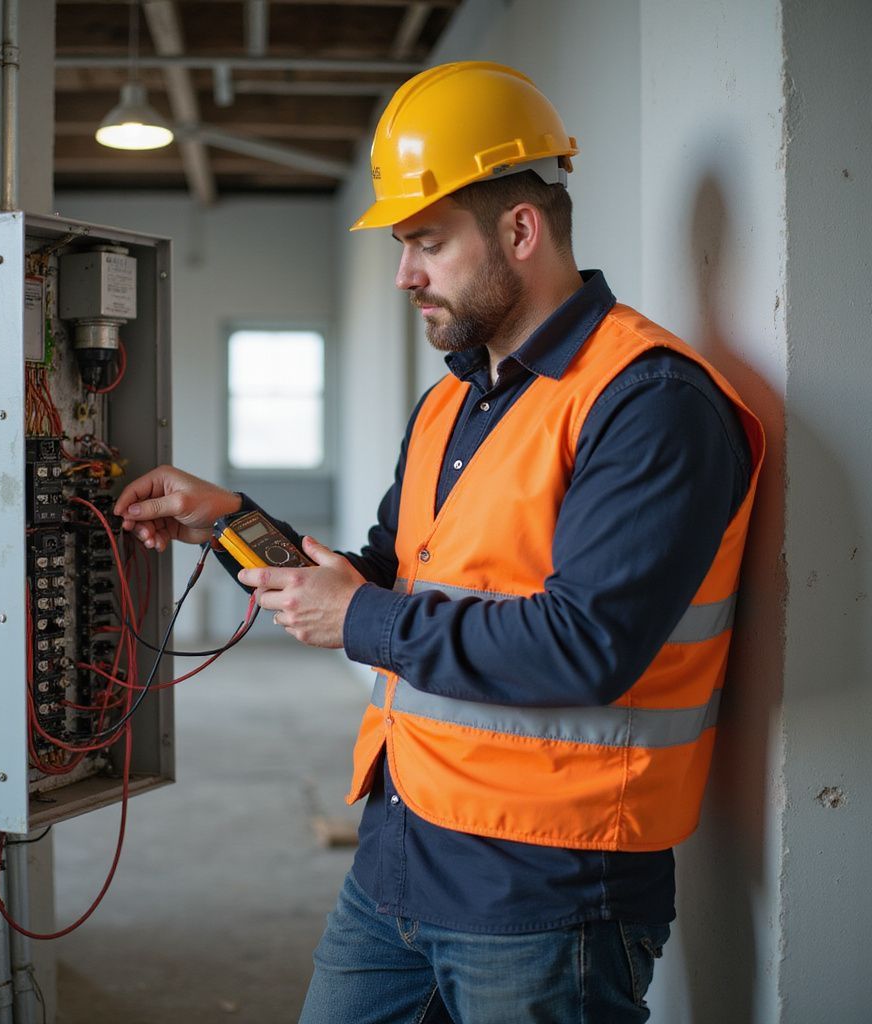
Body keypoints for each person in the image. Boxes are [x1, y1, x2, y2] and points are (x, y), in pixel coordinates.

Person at [114, 61, 765, 1024]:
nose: (404, 273)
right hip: (400, 851)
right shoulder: (453, 399)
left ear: (519, 230)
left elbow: (588, 643)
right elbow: (388, 571)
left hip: (548, 890)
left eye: (426, 241)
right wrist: (229, 525)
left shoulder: (649, 402)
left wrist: (363, 619)